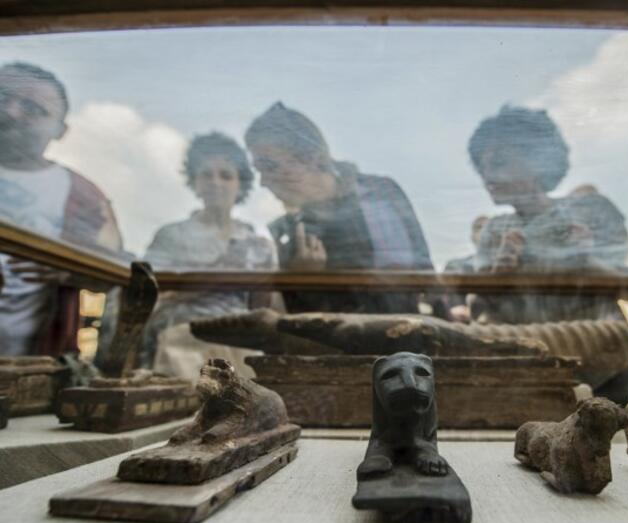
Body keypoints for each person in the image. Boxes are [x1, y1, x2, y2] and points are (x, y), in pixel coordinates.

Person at [467, 105, 628, 404]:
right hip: (530, 374)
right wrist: (499, 276)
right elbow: (479, 311)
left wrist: (585, 260)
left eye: (499, 162)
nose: (487, 176)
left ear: (537, 161)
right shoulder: (495, 231)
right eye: (481, 167)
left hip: (604, 365)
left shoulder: (591, 211)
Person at [245, 102, 433, 314]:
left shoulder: (379, 194)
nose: (263, 182)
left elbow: (424, 271)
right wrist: (302, 280)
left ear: (313, 158)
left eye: (270, 166)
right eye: (259, 170)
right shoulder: (286, 233)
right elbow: (297, 318)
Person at [0, 62, 122, 356]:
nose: (11, 112)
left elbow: (117, 274)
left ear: (60, 130)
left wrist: (69, 271)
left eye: (32, 108)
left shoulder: (86, 196)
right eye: (3, 97)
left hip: (31, 363)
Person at [138, 132, 277, 374]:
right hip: (181, 341)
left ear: (240, 184)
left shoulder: (257, 244)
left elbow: (262, 309)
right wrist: (218, 272)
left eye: (226, 175)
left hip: (239, 343)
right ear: (195, 181)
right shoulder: (171, 235)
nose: (216, 182)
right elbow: (146, 297)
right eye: (206, 174)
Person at [442, 215, 489, 322]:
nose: (484, 232)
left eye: (489, 228)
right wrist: (454, 310)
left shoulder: (508, 270)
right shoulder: (455, 266)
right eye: (479, 227)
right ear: (472, 237)